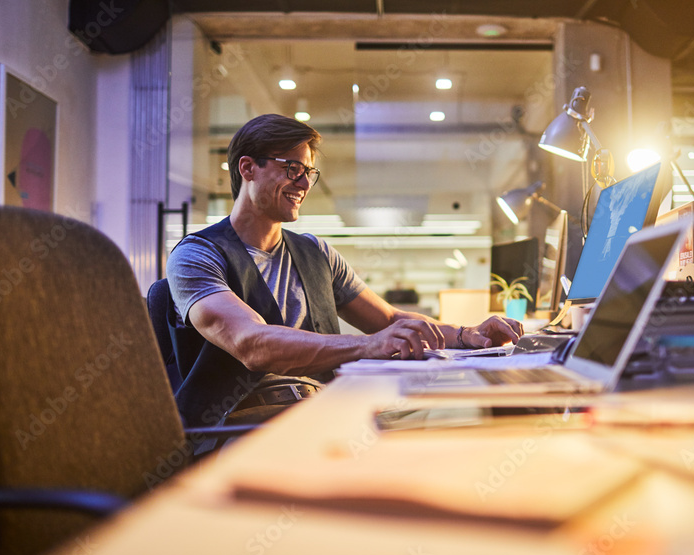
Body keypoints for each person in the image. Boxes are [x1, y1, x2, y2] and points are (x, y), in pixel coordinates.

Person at [167, 114, 522, 426]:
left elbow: (388, 321)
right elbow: (253, 344)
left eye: (308, 173)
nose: (304, 184)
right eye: (292, 169)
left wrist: (469, 336)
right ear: (247, 169)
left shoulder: (315, 252)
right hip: (238, 424)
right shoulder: (197, 256)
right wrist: (368, 346)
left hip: (319, 407)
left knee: (453, 416)